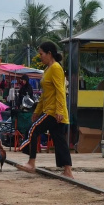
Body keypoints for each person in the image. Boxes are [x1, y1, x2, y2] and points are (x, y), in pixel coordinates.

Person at [18, 41, 73, 178]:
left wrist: (60, 110)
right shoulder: (48, 69)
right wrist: (37, 111)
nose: (40, 57)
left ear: (49, 54)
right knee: (59, 139)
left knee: (33, 129)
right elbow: (44, 94)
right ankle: (68, 171)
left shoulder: (55, 68)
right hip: (50, 110)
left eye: (41, 54)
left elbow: (61, 90)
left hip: (54, 112)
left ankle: (31, 162)